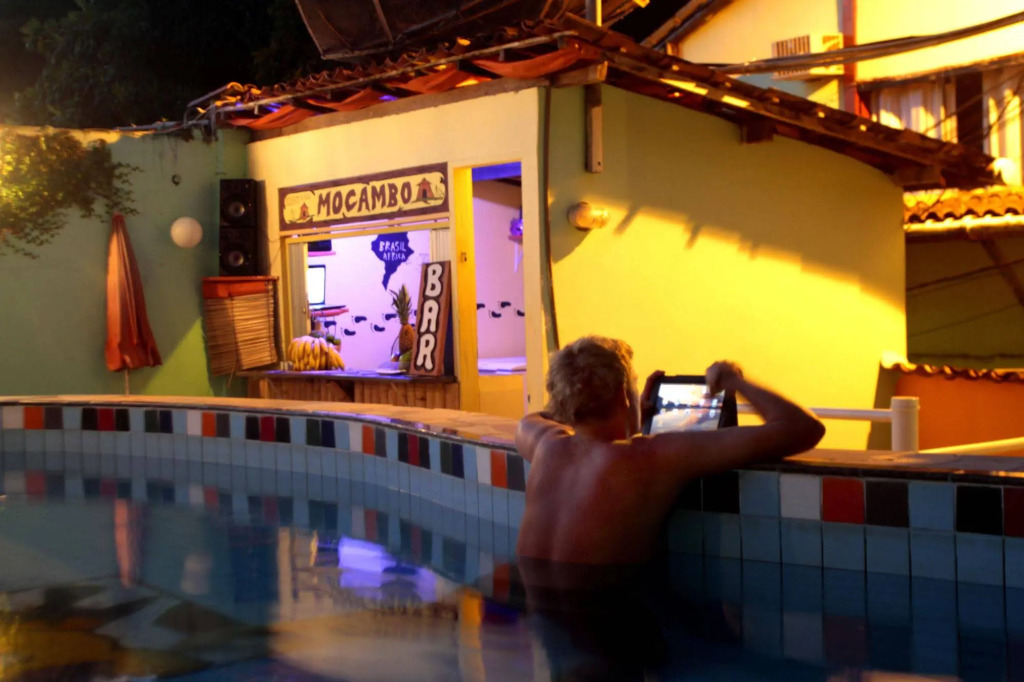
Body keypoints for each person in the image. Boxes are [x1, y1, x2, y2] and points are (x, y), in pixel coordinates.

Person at [515, 335, 825, 564]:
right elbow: (803, 428)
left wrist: (625, 416)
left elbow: (543, 416)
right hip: (606, 623)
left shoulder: (543, 443)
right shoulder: (650, 458)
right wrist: (735, 382)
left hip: (539, 617)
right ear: (624, 393)